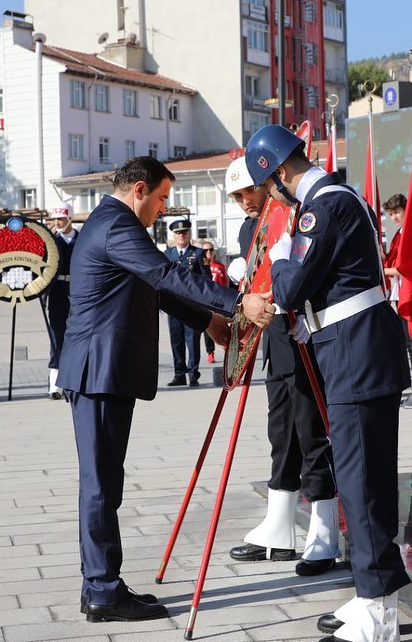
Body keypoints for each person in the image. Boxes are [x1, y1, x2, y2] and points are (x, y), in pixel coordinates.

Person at [56, 156, 274, 623]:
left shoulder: (113, 223)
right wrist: (238, 302)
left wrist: (209, 320)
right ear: (138, 189)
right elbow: (165, 274)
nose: (163, 208)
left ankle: (100, 583)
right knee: (99, 486)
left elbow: (155, 289)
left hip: (105, 371)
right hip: (98, 371)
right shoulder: (117, 226)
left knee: (104, 484)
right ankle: (101, 590)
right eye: (160, 198)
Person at [245, 125, 410, 642]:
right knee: (363, 481)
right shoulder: (334, 200)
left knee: (362, 485)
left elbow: (292, 286)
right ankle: (369, 593)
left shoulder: (324, 206)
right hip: (352, 350)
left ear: (278, 174)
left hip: (357, 354)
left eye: (269, 186)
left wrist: (276, 255)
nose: (274, 197)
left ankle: (378, 612)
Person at [222, 157, 339, 577]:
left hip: (303, 331)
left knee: (311, 432)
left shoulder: (297, 213)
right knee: (281, 431)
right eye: (234, 196)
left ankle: (325, 532)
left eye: (247, 192)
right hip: (274, 338)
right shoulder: (247, 227)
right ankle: (279, 524)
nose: (242, 203)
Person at [382, 193, 412, 408]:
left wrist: (383, 269)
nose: (394, 217)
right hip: (399, 294)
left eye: (397, 212)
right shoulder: (398, 235)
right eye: (390, 214)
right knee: (408, 345)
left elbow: (410, 268)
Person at [163, 218, 211, 387]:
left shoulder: (198, 254)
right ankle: (179, 374)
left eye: (184, 232)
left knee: (192, 341)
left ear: (189, 233)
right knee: (176, 340)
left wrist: (205, 302)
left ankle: (193, 374)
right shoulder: (167, 255)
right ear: (174, 236)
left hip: (192, 305)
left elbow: (206, 279)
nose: (181, 236)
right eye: (178, 233)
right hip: (173, 304)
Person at [46, 203, 79, 399]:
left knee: (77, 337)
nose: (57, 223)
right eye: (55, 219)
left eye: (61, 219)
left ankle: (74, 380)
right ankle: (55, 384)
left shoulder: (82, 239)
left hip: (78, 292)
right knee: (57, 337)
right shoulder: (51, 241)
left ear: (70, 219)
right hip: (57, 292)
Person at [201, 240, 228, 364]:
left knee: (224, 323)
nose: (208, 252)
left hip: (219, 300)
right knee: (208, 325)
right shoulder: (200, 265)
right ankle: (210, 352)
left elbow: (224, 283)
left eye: (210, 250)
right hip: (207, 301)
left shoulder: (219, 266)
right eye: (205, 250)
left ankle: (228, 347)